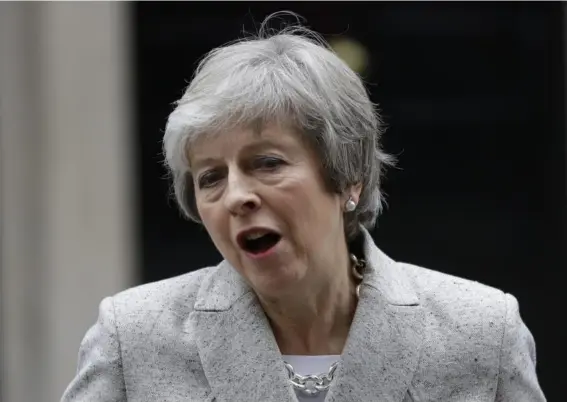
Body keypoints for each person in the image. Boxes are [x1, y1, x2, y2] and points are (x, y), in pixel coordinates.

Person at [61, 13, 546, 402]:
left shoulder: (483, 332)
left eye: (266, 163)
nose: (235, 196)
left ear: (347, 176)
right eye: (211, 177)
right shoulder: (133, 336)